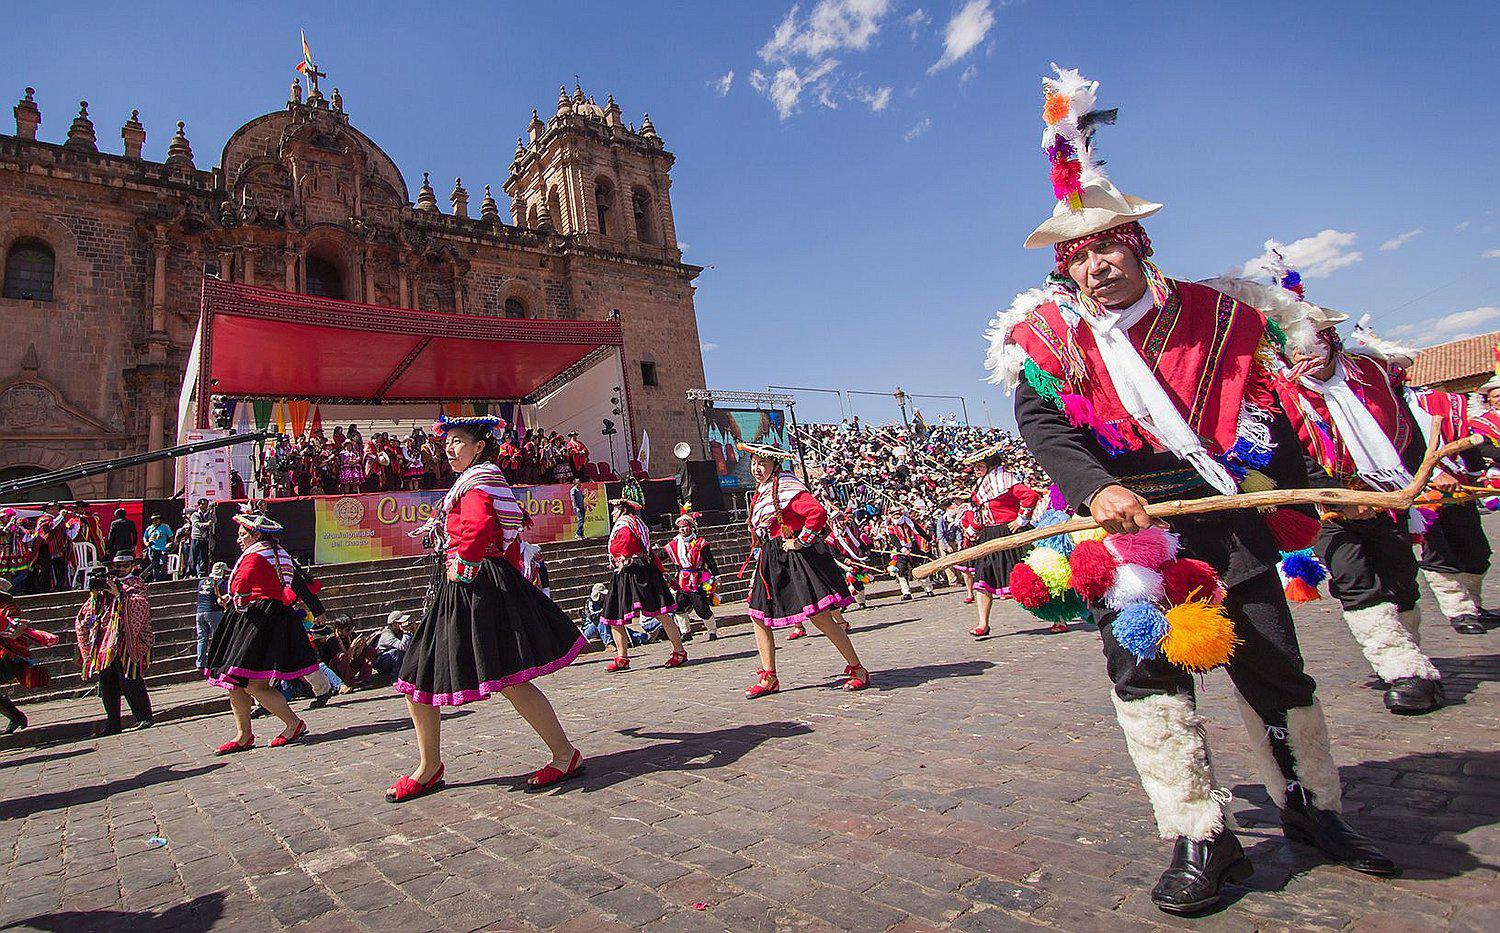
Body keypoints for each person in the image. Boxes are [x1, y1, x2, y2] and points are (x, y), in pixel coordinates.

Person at [987, 66, 1391, 913]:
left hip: (1222, 519)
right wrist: (1096, 492)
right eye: (1082, 254)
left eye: (1110, 246)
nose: (1098, 265)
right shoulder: (1050, 340)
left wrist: (1316, 489)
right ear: (1068, 266)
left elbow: (1273, 414)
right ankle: (1200, 834)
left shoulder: (1216, 317)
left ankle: (1312, 810)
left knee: (1274, 667)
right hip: (1127, 533)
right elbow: (1044, 425)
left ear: (1138, 245)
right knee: (1149, 681)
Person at [1249, 265, 1452, 714]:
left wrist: (1428, 475)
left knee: (1400, 577)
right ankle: (1402, 670)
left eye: (1316, 339)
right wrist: (1333, 497)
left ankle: (1408, 650)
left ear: (1332, 339)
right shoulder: (1276, 392)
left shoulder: (1372, 376)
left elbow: (1407, 431)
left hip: (1391, 496)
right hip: (1331, 509)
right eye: (1299, 342)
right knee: (1354, 579)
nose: (1309, 351)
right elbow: (1284, 454)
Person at [388, 415, 585, 803]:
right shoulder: (470, 482)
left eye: (459, 441)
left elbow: (477, 530)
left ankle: (564, 755)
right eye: (448, 441)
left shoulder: (478, 482)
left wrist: (462, 564)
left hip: (473, 587)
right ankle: (429, 766)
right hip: (465, 586)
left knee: (498, 678)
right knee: (422, 676)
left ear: (479, 447)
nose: (450, 447)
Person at [739, 442, 870, 697]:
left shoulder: (788, 487)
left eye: (762, 463)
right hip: (771, 558)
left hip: (793, 558)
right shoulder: (763, 490)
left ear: (775, 465)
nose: (756, 468)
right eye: (754, 463)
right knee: (757, 616)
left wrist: (800, 541)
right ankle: (769, 676)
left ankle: (858, 669)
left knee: (819, 617)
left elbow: (816, 513)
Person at [203, 507, 326, 753]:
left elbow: (241, 582)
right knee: (236, 680)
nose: (239, 539)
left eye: (242, 534)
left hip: (257, 618)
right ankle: (243, 734)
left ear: (256, 535)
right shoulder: (280, 553)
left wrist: (237, 599)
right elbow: (297, 583)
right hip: (273, 615)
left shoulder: (255, 555)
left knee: (251, 682)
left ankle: (293, 723)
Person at [598, 478, 688, 671]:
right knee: (654, 613)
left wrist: (623, 559)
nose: (612, 513)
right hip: (642, 568)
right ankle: (676, 651)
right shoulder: (637, 522)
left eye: (614, 509)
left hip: (632, 571)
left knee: (615, 615)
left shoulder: (624, 525)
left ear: (623, 509)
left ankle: (623, 657)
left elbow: (626, 545)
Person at [962, 444, 1041, 636]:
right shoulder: (980, 486)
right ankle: (983, 624)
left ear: (990, 463)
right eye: (974, 466)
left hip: (1011, 533)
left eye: (979, 465)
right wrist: (972, 530)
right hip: (989, 535)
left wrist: (1020, 520)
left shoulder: (1006, 479)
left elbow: (1030, 496)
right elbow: (979, 512)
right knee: (982, 578)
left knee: (1031, 576)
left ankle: (1058, 617)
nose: (976, 469)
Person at [75, 555, 154, 734]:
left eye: (124, 565)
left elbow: (140, 605)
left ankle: (144, 717)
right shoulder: (105, 583)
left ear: (133, 566)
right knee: (107, 682)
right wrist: (98, 594)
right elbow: (90, 610)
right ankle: (112, 723)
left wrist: (119, 594)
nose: (120, 569)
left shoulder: (136, 583)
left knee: (130, 679)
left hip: (126, 640)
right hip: (104, 640)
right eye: (116, 566)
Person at [0, 578, 59, 734]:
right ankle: (15, 716)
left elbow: (11, 627)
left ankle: (15, 716)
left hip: (8, 657)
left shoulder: (8, 609)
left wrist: (10, 626)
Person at [664, 512, 720, 640]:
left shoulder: (700, 543)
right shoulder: (674, 544)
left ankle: (712, 631)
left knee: (701, 607)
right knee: (679, 606)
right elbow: (662, 555)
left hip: (698, 579)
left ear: (691, 527)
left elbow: (710, 560)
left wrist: (716, 576)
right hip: (682, 580)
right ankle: (686, 632)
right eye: (680, 527)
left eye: (685, 526)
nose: (682, 529)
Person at [195, 562, 229, 672]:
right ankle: (215, 662)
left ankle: (200, 663)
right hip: (214, 612)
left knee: (202, 638)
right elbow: (222, 599)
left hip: (199, 612)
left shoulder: (201, 582)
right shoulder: (220, 582)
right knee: (216, 638)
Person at [374, 611, 413, 676]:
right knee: (396, 652)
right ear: (393, 623)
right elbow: (403, 647)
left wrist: (413, 630)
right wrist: (406, 632)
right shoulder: (387, 634)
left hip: (393, 659)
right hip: (382, 661)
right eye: (400, 622)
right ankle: (394, 677)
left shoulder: (399, 631)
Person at [187, 499, 216, 576]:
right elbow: (197, 524)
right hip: (196, 537)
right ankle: (191, 573)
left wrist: (211, 515)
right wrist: (207, 524)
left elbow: (214, 520)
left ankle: (203, 572)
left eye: (206, 504)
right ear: (199, 505)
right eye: (203, 504)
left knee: (204, 556)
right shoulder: (195, 514)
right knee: (194, 555)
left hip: (205, 538)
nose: (205, 506)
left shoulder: (208, 513)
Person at [142, 514, 173, 582]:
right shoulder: (149, 528)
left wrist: (172, 543)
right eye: (154, 519)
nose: (155, 521)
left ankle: (163, 578)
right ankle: (156, 578)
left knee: (163, 563)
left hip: (162, 548)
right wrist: (146, 544)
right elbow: (145, 537)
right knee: (154, 564)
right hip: (153, 549)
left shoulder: (165, 526)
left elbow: (171, 536)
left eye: (157, 519)